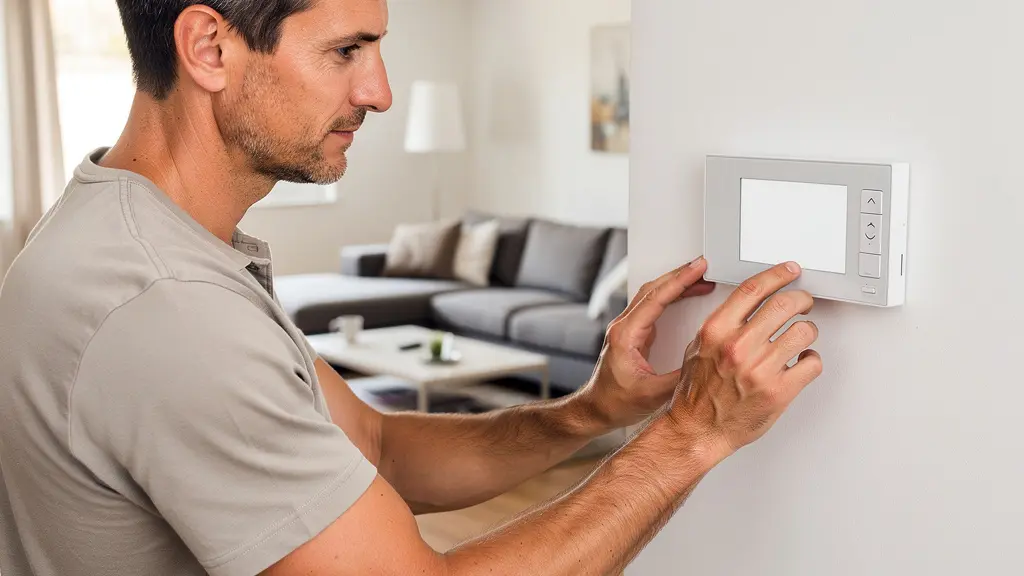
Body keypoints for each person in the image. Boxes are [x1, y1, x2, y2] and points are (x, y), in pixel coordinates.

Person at [0, 1, 823, 574]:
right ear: (209, 47)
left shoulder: (129, 235)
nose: (378, 91)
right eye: (346, 49)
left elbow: (380, 449)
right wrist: (692, 436)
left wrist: (591, 412)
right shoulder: (166, 306)